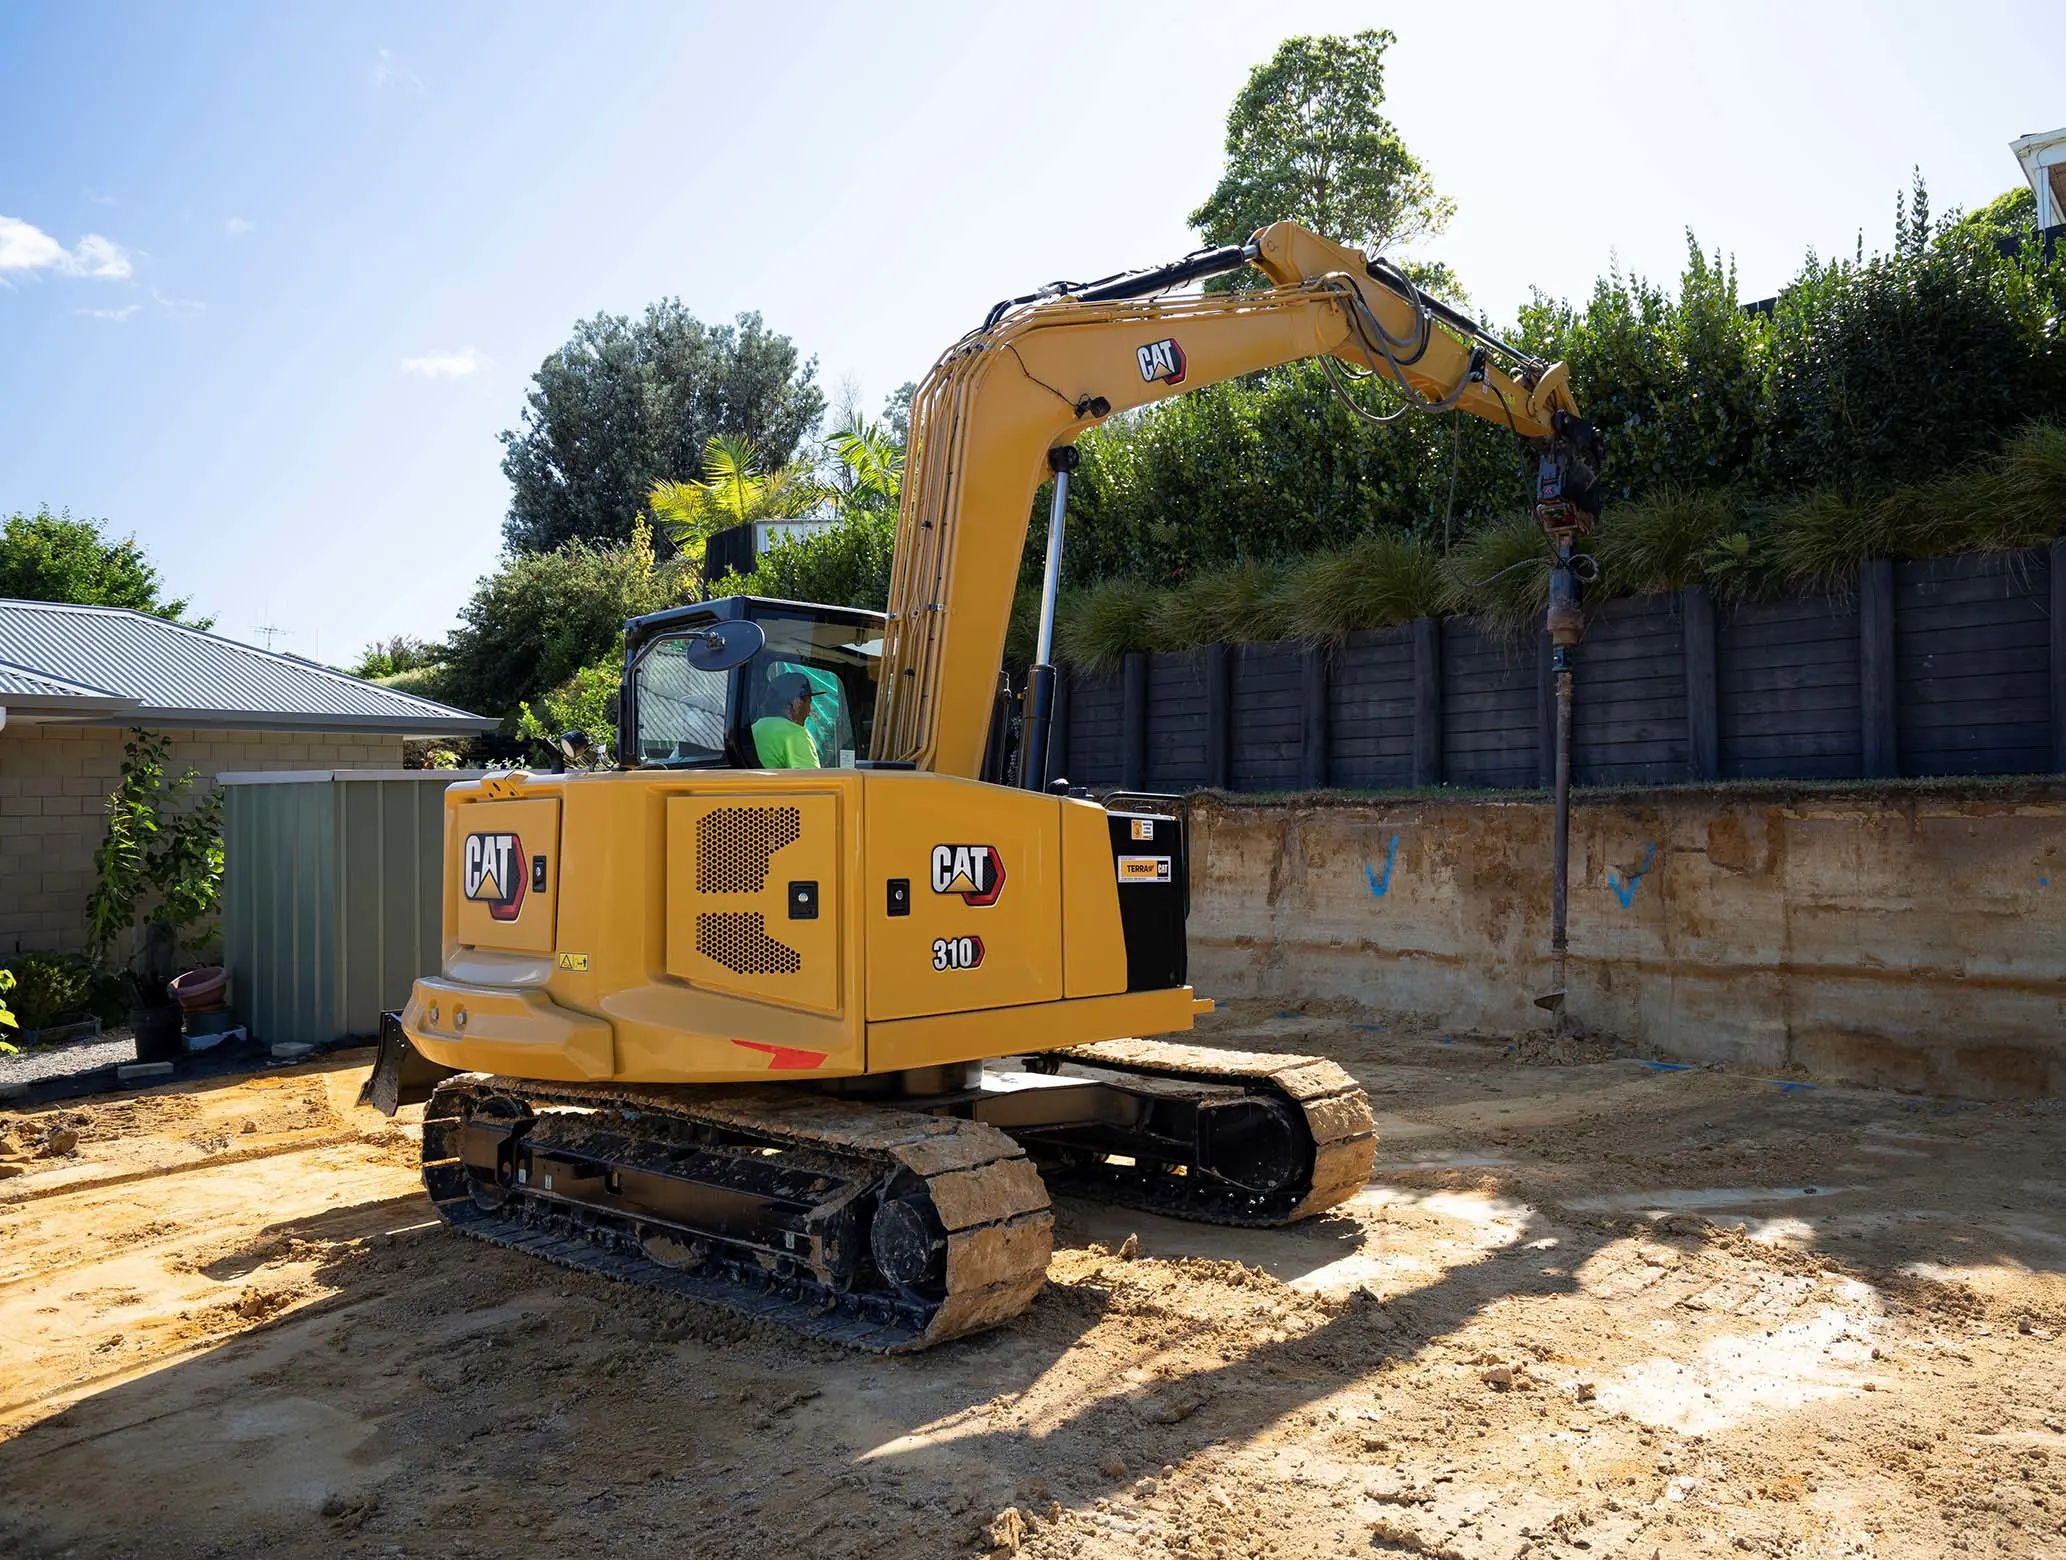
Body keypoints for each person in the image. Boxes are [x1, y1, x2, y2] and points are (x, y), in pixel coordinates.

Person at [751, 671, 821, 768]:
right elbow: (814, 781)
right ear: (796, 703)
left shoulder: (754, 729)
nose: (809, 712)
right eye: (809, 703)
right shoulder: (796, 734)